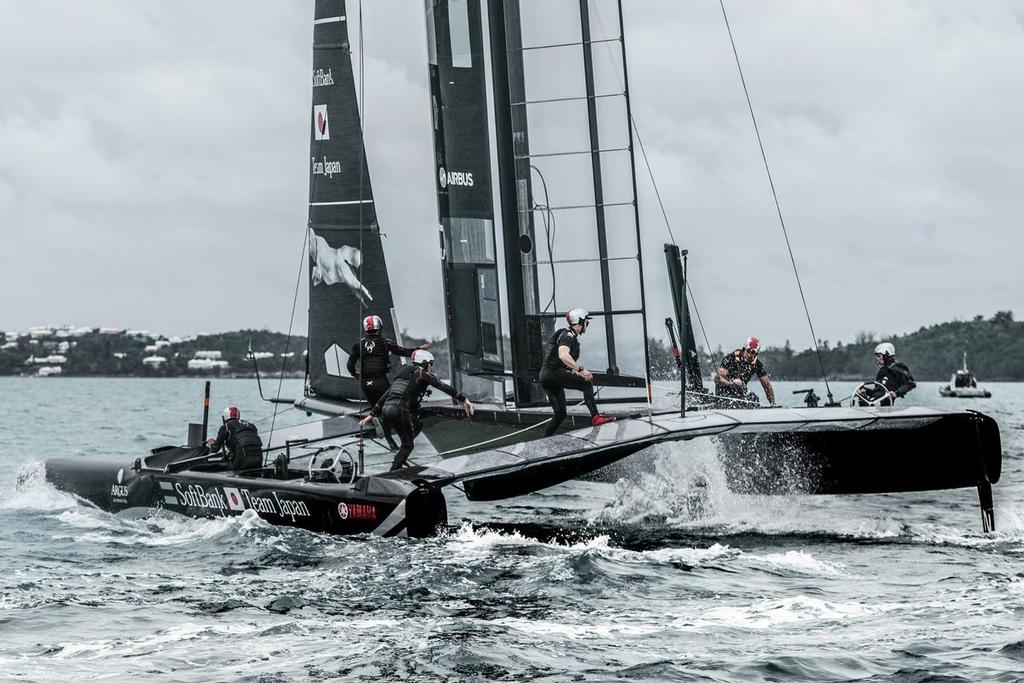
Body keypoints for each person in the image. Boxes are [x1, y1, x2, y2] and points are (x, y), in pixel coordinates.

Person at [360, 350, 474, 471]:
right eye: (431, 363)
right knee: (408, 445)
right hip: (399, 410)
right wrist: (464, 399)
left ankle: (399, 454)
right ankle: (393, 472)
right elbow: (443, 386)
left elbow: (386, 394)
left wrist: (371, 414)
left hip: (386, 408)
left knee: (418, 425)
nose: (431, 367)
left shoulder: (403, 371)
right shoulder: (422, 373)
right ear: (424, 363)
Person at [539, 308, 616, 437]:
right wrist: (582, 370)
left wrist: (575, 372)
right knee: (587, 384)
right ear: (580, 321)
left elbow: (561, 362)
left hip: (546, 376)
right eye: (586, 322)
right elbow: (563, 355)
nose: (587, 325)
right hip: (553, 373)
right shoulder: (568, 336)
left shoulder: (566, 335)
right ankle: (596, 417)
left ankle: (543, 441)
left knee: (560, 414)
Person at [346, 314, 431, 407]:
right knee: (391, 406)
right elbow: (403, 352)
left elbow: (350, 365)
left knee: (374, 409)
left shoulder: (358, 345)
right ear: (380, 328)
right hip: (380, 381)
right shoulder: (385, 342)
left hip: (365, 383)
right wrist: (419, 349)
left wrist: (354, 374)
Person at [713, 337, 776, 407]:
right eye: (748, 351)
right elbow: (717, 379)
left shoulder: (757, 364)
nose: (749, 355)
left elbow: (767, 386)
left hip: (739, 392)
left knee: (754, 400)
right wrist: (731, 383)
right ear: (743, 349)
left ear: (756, 354)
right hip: (724, 392)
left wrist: (773, 404)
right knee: (733, 403)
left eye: (752, 353)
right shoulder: (730, 359)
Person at [207, 405, 264, 473]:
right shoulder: (251, 425)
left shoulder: (225, 427)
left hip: (242, 460)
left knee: (225, 465)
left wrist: (211, 443)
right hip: (259, 458)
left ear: (225, 418)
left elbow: (215, 449)